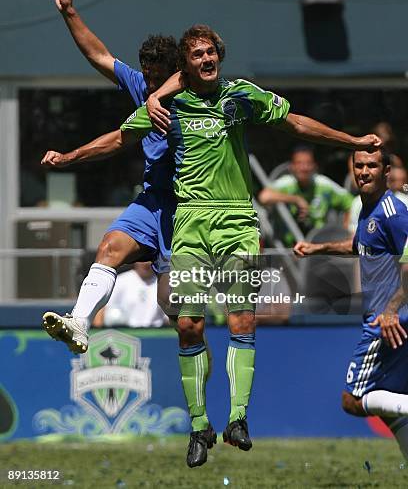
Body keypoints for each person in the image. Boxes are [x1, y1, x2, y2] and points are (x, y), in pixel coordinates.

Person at [52, 23, 381, 466]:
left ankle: (239, 418)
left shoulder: (241, 95)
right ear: (185, 68)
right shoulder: (166, 104)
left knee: (243, 319)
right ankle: (198, 425)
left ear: (218, 56)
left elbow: (295, 122)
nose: (207, 60)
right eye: (198, 55)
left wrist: (352, 139)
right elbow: (118, 137)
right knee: (188, 325)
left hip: (237, 221)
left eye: (212, 53)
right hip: (188, 221)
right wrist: (70, 157)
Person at [41, 0, 182, 354]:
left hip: (189, 209)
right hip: (153, 202)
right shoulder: (141, 88)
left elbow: (118, 139)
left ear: (175, 71)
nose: (151, 84)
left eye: (158, 77)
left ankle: (209, 402)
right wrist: (69, 11)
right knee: (109, 248)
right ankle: (79, 322)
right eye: (147, 75)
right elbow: (99, 55)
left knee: (178, 313)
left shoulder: (194, 99)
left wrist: (71, 156)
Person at [294, 147, 408, 461]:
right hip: (391, 319)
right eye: (359, 165)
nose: (364, 171)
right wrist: (319, 248)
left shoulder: (393, 213)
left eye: (372, 165)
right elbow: (360, 244)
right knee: (389, 404)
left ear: (386, 172)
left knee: (353, 399)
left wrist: (390, 310)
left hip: (388, 322)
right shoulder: (367, 208)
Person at [259, 146, 353, 246]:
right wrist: (295, 200)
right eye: (299, 163)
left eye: (308, 163)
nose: (304, 168)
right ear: (292, 166)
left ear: (314, 166)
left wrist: (347, 230)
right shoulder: (286, 183)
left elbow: (352, 203)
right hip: (287, 249)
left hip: (318, 248)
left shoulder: (323, 184)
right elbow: (264, 197)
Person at [94, 261, 167, 328]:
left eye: (149, 260)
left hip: (155, 334)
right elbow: (101, 309)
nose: (146, 264)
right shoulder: (120, 281)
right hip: (125, 334)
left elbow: (170, 319)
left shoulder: (165, 284)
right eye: (143, 260)